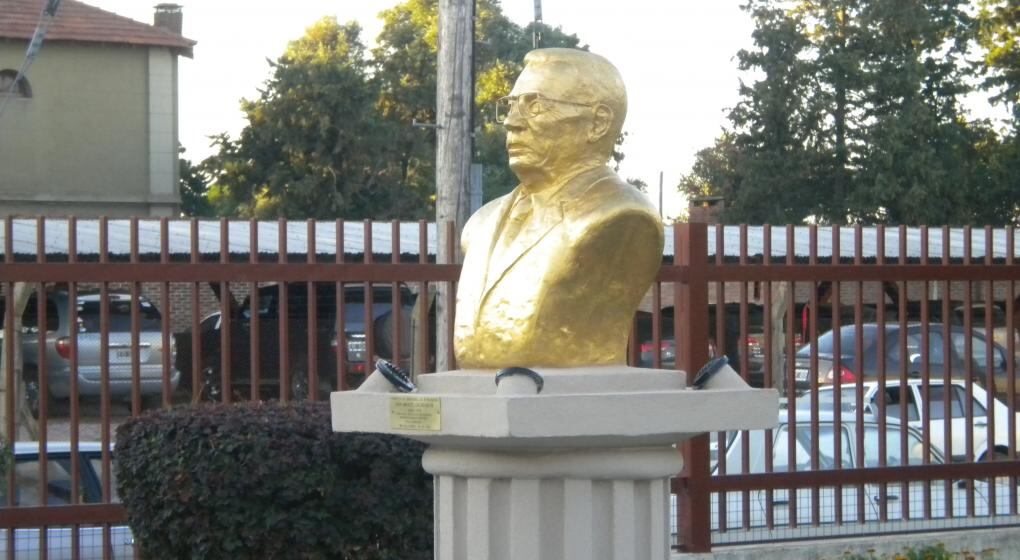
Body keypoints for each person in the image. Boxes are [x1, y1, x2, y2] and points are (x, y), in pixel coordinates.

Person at [453, 48, 664, 369]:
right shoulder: (481, 224)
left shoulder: (620, 216)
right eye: (511, 106)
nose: (511, 123)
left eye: (534, 106)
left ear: (598, 122)